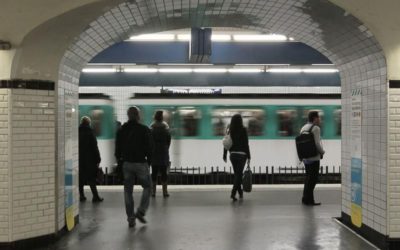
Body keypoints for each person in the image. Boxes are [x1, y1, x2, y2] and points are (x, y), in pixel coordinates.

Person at [115, 107, 153, 228]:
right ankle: (141, 211)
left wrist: (120, 162)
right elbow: (150, 147)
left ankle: (131, 218)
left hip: (126, 164)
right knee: (148, 187)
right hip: (141, 163)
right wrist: (149, 162)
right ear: (138, 115)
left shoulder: (121, 130)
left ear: (128, 115)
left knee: (128, 191)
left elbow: (117, 150)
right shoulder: (144, 129)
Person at [223, 114, 251, 201]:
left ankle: (240, 193)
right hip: (242, 155)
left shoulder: (230, 130)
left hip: (233, 155)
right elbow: (246, 144)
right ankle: (233, 193)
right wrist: (249, 156)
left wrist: (224, 155)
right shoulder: (244, 130)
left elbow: (226, 142)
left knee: (237, 175)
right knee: (238, 175)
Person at [300, 111, 325, 206]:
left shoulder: (303, 127)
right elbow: (317, 143)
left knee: (308, 178)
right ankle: (309, 200)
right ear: (315, 118)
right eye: (319, 117)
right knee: (313, 179)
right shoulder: (316, 128)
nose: (320, 119)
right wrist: (322, 152)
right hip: (314, 157)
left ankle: (305, 198)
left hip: (306, 157)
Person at [78, 116, 103, 203]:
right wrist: (98, 159)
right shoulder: (90, 132)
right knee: (91, 179)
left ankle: (81, 196)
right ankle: (95, 197)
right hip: (89, 160)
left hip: (79, 160)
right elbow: (94, 147)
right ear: (89, 123)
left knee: (80, 179)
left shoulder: (77, 132)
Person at [150, 111, 172, 198]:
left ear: (155, 117)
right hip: (163, 153)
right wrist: (165, 148)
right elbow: (169, 141)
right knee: (164, 173)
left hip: (154, 153)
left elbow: (149, 141)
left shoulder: (152, 127)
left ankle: (153, 192)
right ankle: (165, 192)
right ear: (162, 117)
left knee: (154, 173)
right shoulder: (165, 127)